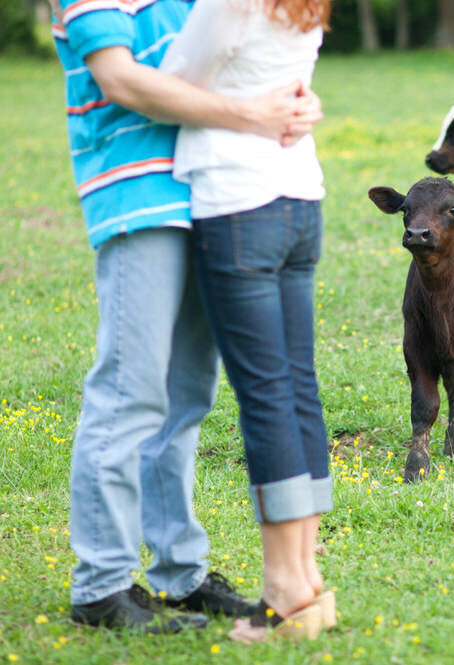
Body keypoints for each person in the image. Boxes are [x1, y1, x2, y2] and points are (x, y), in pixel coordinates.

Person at [50, 0, 323, 634]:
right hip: (139, 196)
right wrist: (255, 115)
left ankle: (180, 572)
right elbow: (119, 79)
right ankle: (102, 584)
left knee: (185, 398)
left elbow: (233, 61)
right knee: (130, 391)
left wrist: (298, 104)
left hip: (211, 197)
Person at [159, 0, 334, 643]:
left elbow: (173, 84)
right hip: (298, 200)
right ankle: (307, 579)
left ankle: (285, 589)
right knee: (296, 387)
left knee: (265, 396)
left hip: (238, 205)